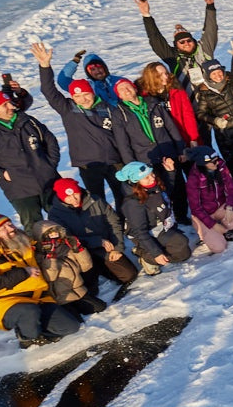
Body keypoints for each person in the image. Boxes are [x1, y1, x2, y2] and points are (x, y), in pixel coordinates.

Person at [0, 212, 85, 348]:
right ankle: (27, 340)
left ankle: (38, 332)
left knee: (71, 327)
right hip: (1, 303)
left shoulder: (19, 241)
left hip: (36, 298)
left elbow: (40, 245)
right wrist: (22, 273)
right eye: (3, 228)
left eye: (9, 224)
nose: (11, 228)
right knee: (29, 311)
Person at [33, 43, 125, 207]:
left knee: (123, 196)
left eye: (86, 94)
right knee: (97, 201)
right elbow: (48, 90)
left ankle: (126, 225)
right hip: (88, 164)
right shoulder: (68, 109)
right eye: (78, 96)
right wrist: (44, 66)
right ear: (73, 97)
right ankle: (106, 230)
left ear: (92, 92)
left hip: (114, 160)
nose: (83, 99)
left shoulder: (107, 107)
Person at [0, 86, 61, 229]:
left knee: (64, 217)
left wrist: (50, 163)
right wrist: (1, 174)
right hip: (20, 189)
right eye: (5, 105)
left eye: (10, 102)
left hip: (48, 179)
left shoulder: (27, 121)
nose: (11, 106)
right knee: (34, 227)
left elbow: (49, 140)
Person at [109, 75, 189, 221]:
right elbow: (123, 143)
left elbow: (170, 127)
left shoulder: (153, 103)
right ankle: (163, 216)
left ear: (134, 88)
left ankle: (182, 214)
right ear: (119, 95)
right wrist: (131, 164)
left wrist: (180, 148)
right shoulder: (119, 114)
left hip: (167, 151)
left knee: (177, 184)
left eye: (127, 87)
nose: (126, 91)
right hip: (145, 158)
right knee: (158, 187)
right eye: (121, 90)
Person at [46, 178, 139, 288]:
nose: (74, 199)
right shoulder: (55, 214)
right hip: (80, 253)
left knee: (129, 275)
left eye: (76, 194)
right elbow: (68, 239)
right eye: (68, 197)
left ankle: (103, 267)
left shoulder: (95, 200)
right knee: (89, 286)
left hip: (105, 248)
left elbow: (114, 222)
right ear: (61, 198)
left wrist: (117, 248)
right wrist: (97, 241)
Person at [135, 0, 219, 92]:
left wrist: (210, 6)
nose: (186, 43)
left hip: (214, 99)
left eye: (189, 40)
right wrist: (146, 15)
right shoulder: (172, 57)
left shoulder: (204, 49)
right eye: (182, 42)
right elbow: (155, 38)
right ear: (176, 45)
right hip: (190, 104)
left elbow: (211, 29)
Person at [116, 161, 192, 273]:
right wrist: (156, 254)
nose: (152, 178)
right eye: (146, 177)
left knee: (183, 249)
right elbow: (140, 231)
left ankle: (160, 248)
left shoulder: (152, 187)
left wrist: (170, 172)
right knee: (181, 246)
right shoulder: (132, 203)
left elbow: (167, 192)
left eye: (152, 174)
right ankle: (145, 255)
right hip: (147, 233)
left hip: (162, 226)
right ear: (135, 182)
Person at [190, 54, 233, 172]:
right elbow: (200, 113)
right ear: (207, 76)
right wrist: (215, 120)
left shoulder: (231, 84)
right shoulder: (205, 93)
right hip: (226, 137)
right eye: (213, 74)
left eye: (219, 72)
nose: (218, 76)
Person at [28, 220, 106, 317]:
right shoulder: (39, 256)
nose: (55, 241)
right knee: (76, 320)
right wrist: (50, 256)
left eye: (57, 236)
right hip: (62, 298)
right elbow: (50, 277)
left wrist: (78, 249)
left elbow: (86, 266)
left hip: (79, 291)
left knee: (101, 307)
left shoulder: (66, 248)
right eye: (50, 237)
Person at [184, 145, 233, 252]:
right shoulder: (194, 178)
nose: (217, 163)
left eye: (217, 159)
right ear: (203, 163)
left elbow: (231, 189)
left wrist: (229, 207)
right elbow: (196, 208)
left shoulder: (221, 166)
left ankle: (225, 230)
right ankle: (210, 232)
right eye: (213, 162)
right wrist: (214, 225)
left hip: (220, 207)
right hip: (203, 215)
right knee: (219, 248)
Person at [57, 50, 121, 107]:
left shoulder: (118, 81)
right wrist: (74, 62)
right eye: (93, 69)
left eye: (99, 68)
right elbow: (63, 80)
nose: (98, 71)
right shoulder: (86, 86)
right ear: (87, 72)